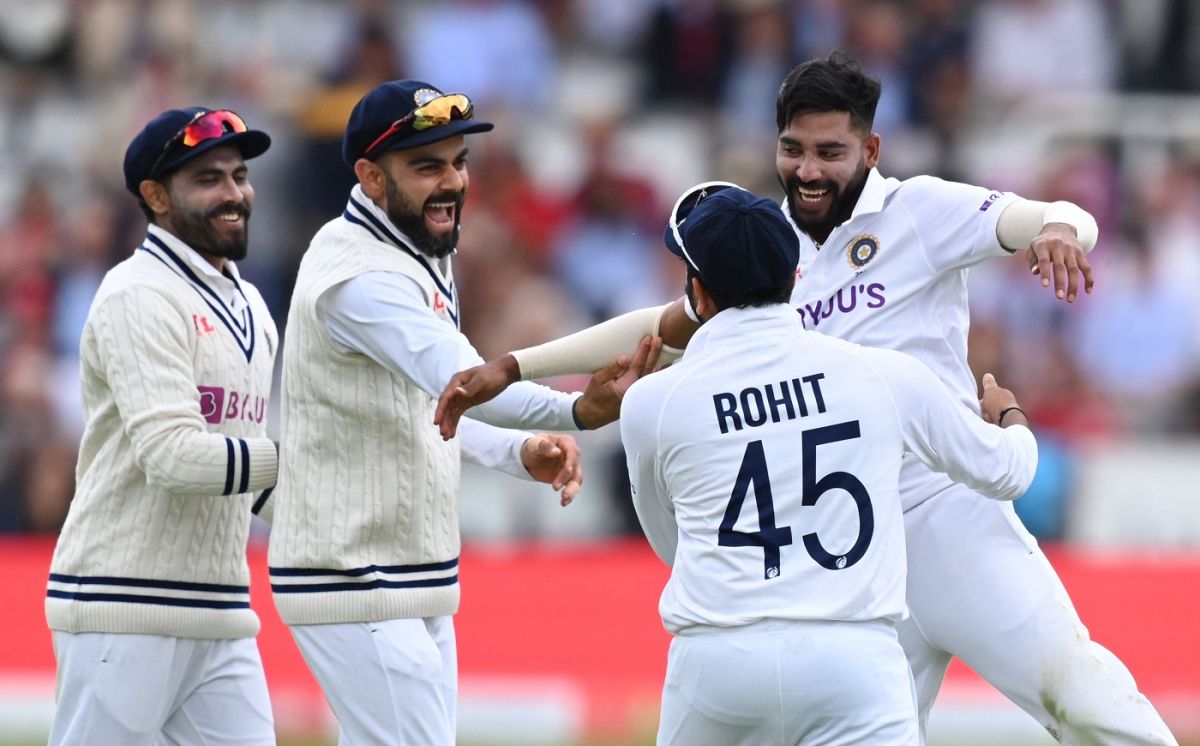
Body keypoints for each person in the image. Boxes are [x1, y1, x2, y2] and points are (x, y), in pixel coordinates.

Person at [436, 56, 1178, 745]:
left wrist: (1057, 227)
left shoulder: (919, 211)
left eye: (831, 151)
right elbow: (664, 326)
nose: (808, 169)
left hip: (945, 511)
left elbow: (1055, 216)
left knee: (1078, 697)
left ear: (872, 151)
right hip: (849, 548)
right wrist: (515, 364)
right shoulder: (767, 242)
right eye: (794, 149)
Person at [269, 79, 654, 745]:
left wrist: (515, 451)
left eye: (458, 163)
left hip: (406, 571)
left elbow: (432, 404)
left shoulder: (411, 244)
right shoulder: (363, 278)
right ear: (370, 176)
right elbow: (467, 380)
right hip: (352, 573)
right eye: (426, 167)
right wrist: (575, 412)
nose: (451, 183)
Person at [622, 184, 1037, 745]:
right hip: (854, 657)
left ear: (697, 289)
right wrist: (1009, 413)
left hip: (717, 662)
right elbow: (1009, 473)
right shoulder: (883, 376)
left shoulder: (652, 402)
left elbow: (672, 544)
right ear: (795, 277)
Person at [45, 108, 280, 745]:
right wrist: (292, 463)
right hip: (121, 604)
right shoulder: (136, 294)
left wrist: (331, 505)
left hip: (222, 610)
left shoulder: (253, 306)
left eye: (239, 175)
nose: (235, 194)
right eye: (209, 179)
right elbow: (174, 457)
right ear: (155, 196)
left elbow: (249, 470)